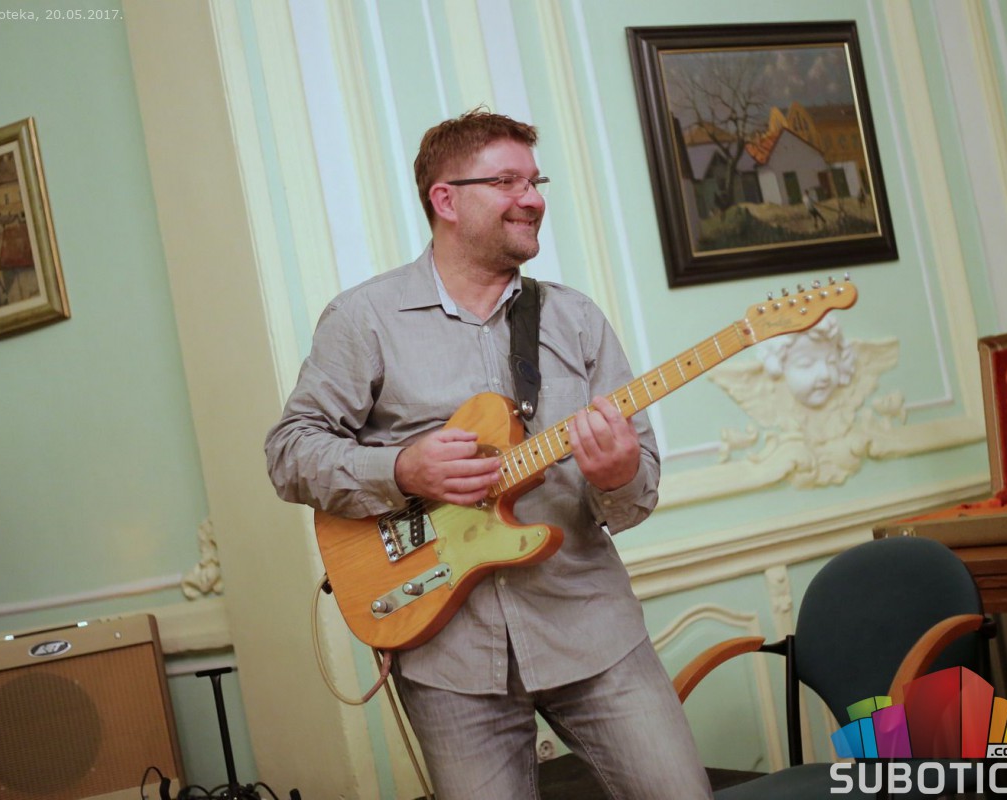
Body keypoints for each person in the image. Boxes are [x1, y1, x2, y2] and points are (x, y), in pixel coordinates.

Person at [265, 109, 712, 800]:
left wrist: (618, 475)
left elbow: (635, 497)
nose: (531, 198)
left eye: (535, 182)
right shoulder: (364, 319)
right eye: (507, 181)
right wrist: (401, 469)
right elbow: (290, 452)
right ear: (445, 200)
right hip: (448, 659)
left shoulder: (576, 320)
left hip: (592, 633)